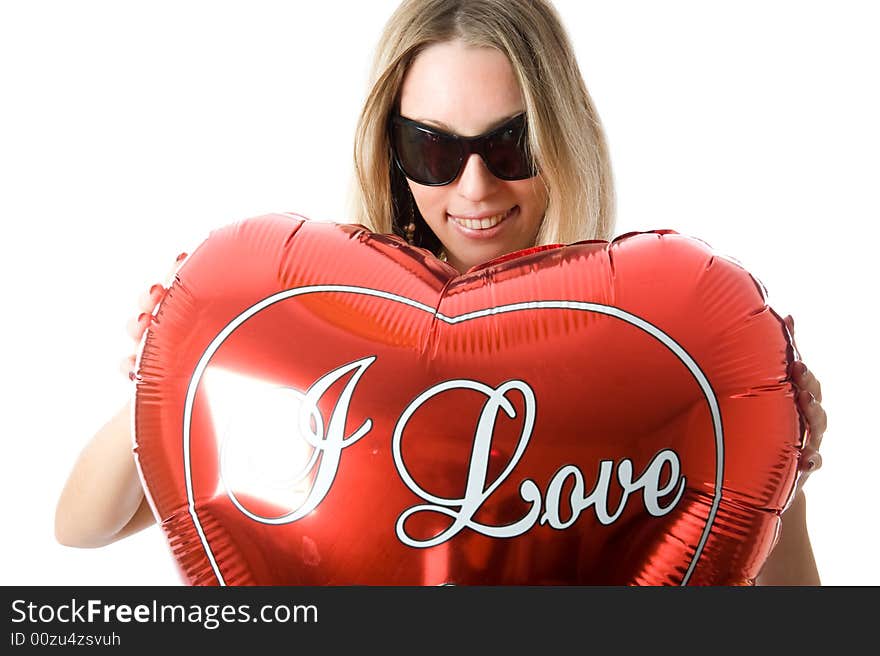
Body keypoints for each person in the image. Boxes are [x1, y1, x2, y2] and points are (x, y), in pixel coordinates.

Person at [55, 0, 826, 585]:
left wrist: (774, 445)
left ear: (560, 132)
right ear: (390, 150)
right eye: (432, 148)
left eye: (510, 142)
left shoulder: (661, 353)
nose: (476, 185)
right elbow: (82, 527)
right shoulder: (302, 334)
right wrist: (175, 363)